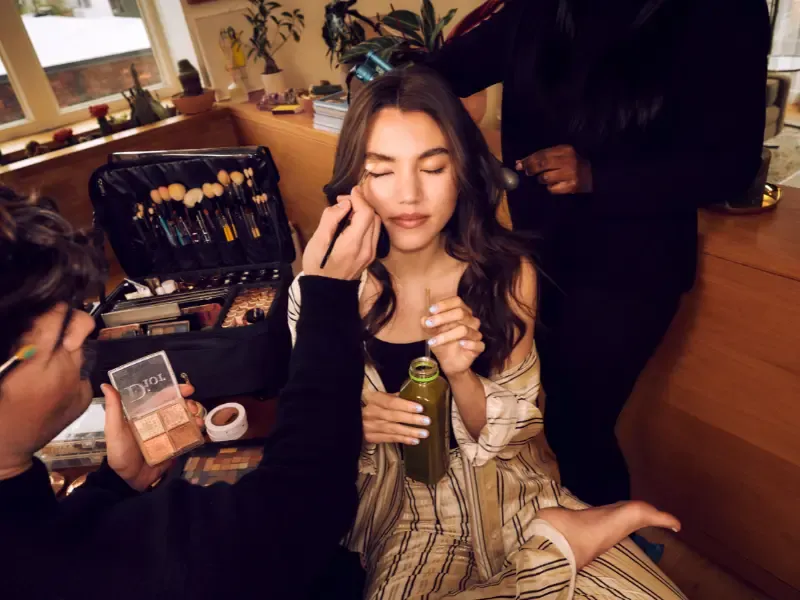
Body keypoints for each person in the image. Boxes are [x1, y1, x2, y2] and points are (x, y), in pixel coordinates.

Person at [288, 67, 686, 600]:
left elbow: (518, 433)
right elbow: (308, 438)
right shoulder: (326, 288)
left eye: (432, 168)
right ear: (355, 183)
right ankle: (560, 548)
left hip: (517, 496)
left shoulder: (505, 272)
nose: (407, 195)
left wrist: (463, 376)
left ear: (463, 173)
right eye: (381, 171)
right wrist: (351, 424)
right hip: (410, 518)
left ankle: (551, 540)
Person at [426, 0, 771, 506]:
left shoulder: (722, 11)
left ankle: (606, 559)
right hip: (538, 258)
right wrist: (392, 90)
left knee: (578, 426)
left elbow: (733, 166)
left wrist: (599, 177)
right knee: (546, 415)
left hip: (632, 269)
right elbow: (449, 70)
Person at [0, 185, 379, 600]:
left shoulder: (33, 528)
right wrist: (327, 294)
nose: (86, 326)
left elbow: (53, 528)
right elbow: (300, 506)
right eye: (57, 335)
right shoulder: (77, 571)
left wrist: (117, 482)